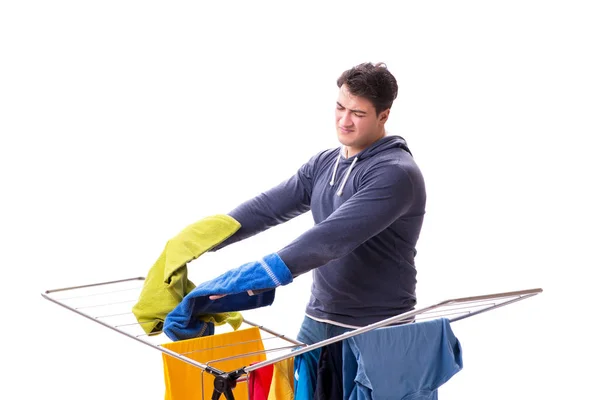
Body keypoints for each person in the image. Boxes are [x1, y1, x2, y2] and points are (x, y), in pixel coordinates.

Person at [211, 62, 426, 345]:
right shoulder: (325, 163)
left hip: (377, 326)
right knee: (299, 390)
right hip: (318, 318)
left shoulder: (395, 173)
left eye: (358, 113)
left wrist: (249, 278)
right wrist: (199, 240)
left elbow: (329, 240)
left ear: (383, 115)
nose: (344, 121)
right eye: (340, 108)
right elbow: (266, 208)